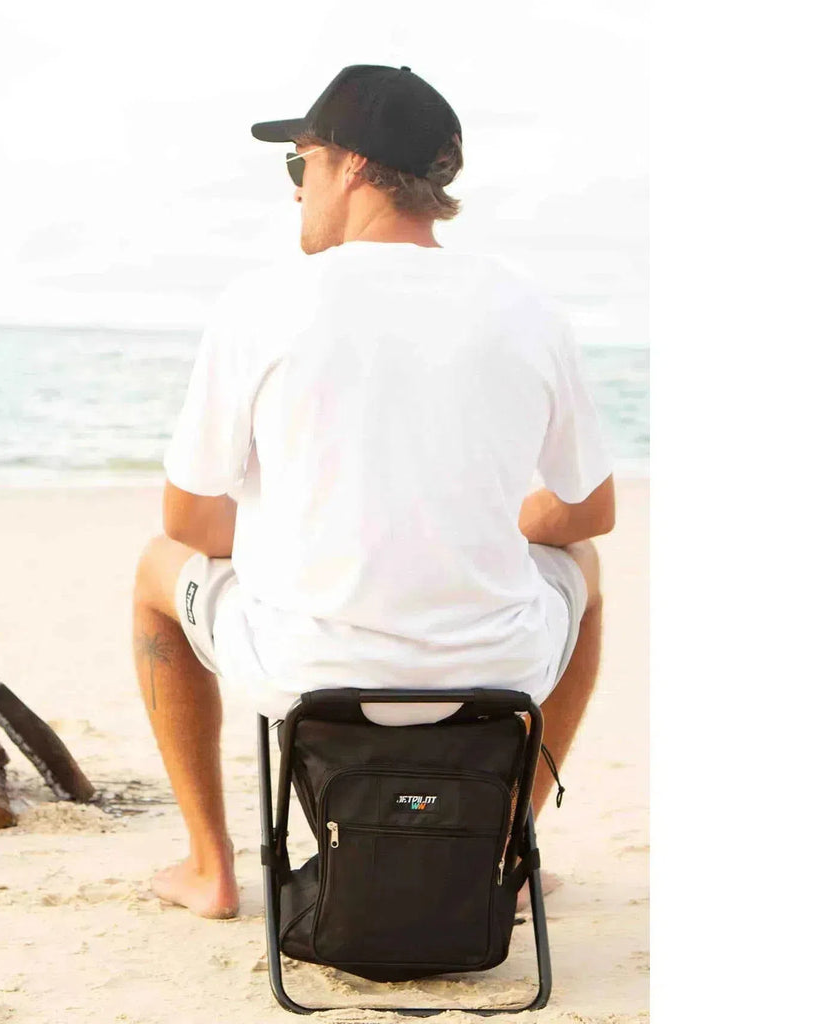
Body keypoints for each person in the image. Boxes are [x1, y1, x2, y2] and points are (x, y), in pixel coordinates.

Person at [132, 65, 615, 919]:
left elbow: (190, 521)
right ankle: (505, 855)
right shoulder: (530, 309)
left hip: (306, 673)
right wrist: (492, 526)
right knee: (583, 571)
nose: (296, 190)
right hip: (495, 671)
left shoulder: (263, 302)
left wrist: (305, 531)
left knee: (152, 571)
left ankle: (209, 867)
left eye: (301, 164)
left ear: (351, 164)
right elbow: (590, 512)